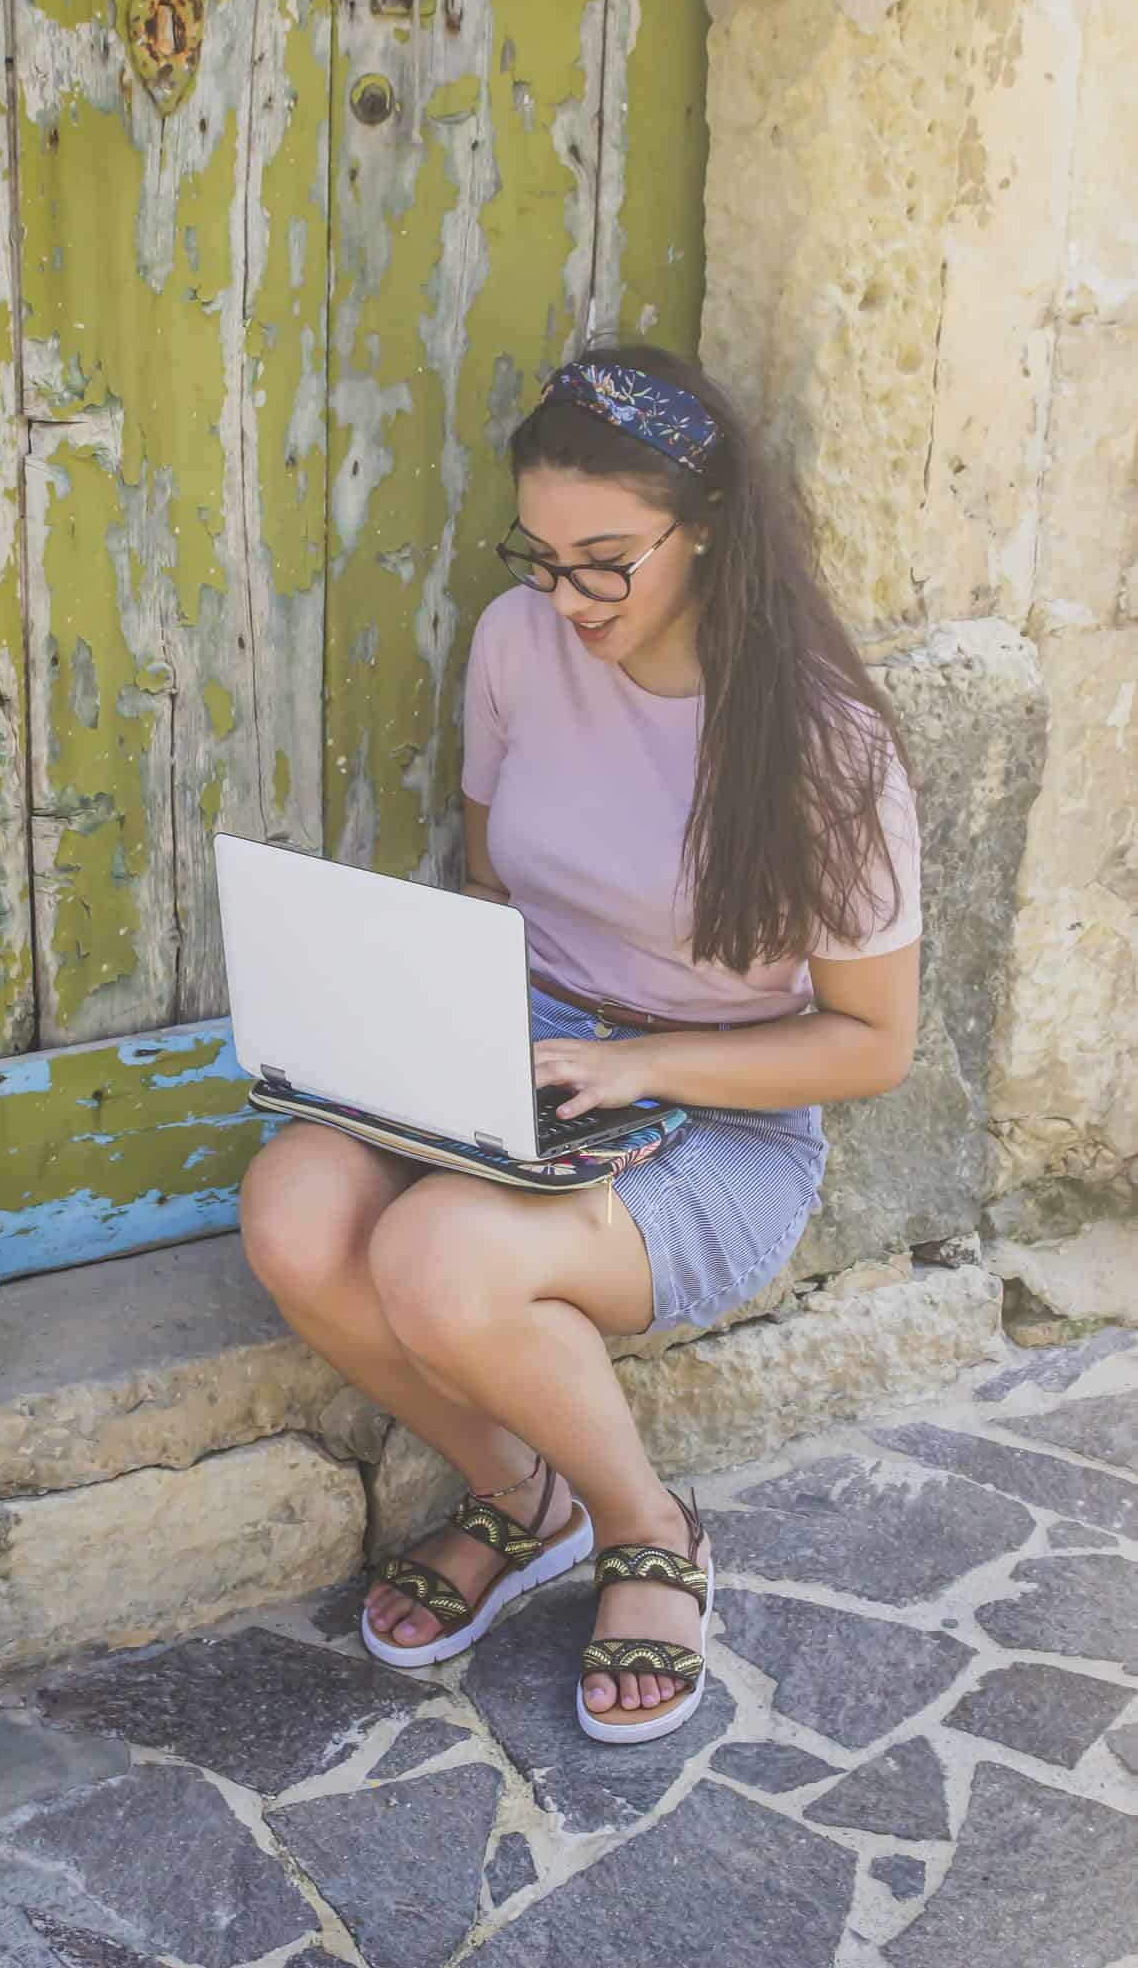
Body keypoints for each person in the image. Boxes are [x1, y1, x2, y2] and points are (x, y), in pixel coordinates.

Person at [240, 344, 921, 1745]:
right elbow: (504, 887)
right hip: (534, 1045)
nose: (565, 598)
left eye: (604, 559)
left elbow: (868, 1043)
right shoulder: (514, 642)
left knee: (438, 1258)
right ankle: (520, 1497)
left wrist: (646, 1064)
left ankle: (642, 1528)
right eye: (541, 555)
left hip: (728, 1109)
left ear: (708, 529)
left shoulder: (822, 743)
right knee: (294, 1210)